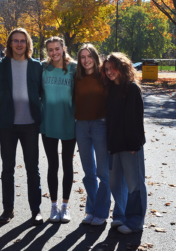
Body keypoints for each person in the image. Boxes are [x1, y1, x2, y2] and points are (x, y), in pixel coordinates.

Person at [0, 28, 43, 225]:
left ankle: (36, 210)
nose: (19, 44)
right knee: (7, 169)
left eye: (23, 41)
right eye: (15, 41)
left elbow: (40, 92)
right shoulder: (0, 66)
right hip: (7, 124)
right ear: (10, 43)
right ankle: (8, 209)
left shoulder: (36, 66)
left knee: (33, 169)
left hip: (30, 124)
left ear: (27, 43)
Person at [101, 52, 147, 234]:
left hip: (130, 147)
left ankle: (136, 221)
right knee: (115, 183)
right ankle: (122, 217)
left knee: (135, 184)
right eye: (106, 69)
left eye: (112, 68)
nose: (109, 72)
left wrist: (135, 145)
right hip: (114, 145)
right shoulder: (110, 89)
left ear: (122, 67)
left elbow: (136, 120)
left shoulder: (132, 88)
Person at [40, 37, 76, 223]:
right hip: (48, 124)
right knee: (53, 165)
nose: (54, 52)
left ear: (63, 48)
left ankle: (65, 205)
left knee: (67, 165)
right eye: (50, 50)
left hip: (69, 123)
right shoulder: (43, 69)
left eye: (57, 49)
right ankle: (53, 206)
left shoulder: (74, 68)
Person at [74, 44, 111, 225]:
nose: (86, 60)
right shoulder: (76, 77)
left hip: (100, 126)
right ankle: (91, 209)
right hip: (81, 126)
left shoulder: (104, 77)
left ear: (95, 58)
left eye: (89, 56)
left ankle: (102, 212)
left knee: (103, 172)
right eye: (82, 57)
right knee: (89, 171)